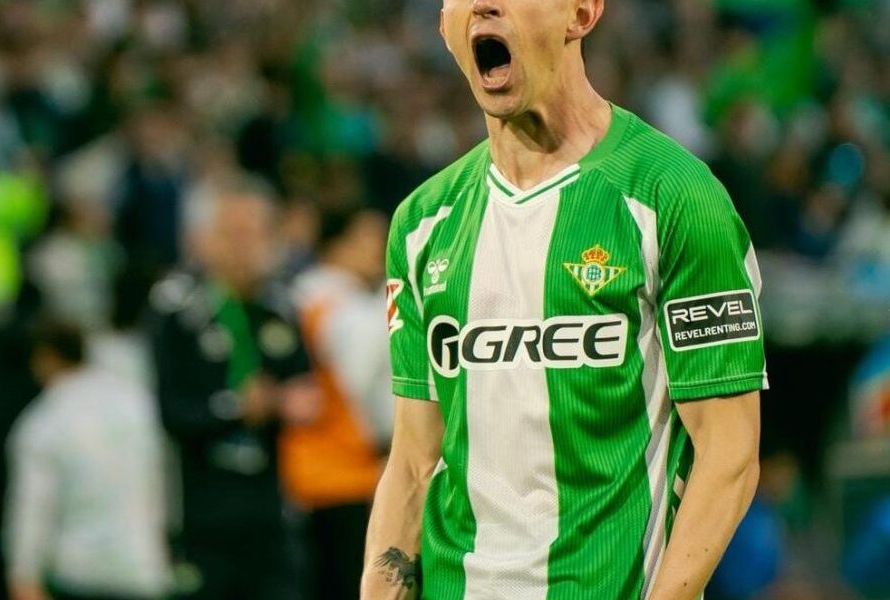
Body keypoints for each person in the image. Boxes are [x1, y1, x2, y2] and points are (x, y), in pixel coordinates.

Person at [361, 1, 766, 599]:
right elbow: (414, 462)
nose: (484, 4)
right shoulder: (422, 222)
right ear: (444, 29)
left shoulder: (675, 196)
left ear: (581, 12)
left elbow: (729, 454)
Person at [149, 176, 318, 600]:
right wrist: (236, 408)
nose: (245, 247)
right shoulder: (177, 309)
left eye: (256, 234)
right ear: (206, 239)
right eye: (233, 233)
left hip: (271, 510)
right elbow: (170, 410)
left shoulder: (282, 308)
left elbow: (304, 394)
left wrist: (289, 403)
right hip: (200, 511)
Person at [4, 319, 172, 600]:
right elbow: (165, 482)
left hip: (78, 576)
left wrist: (23, 575)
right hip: (143, 570)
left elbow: (33, 504)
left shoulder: (44, 421)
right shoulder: (137, 403)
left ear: (44, 357)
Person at [284, 206, 394, 600]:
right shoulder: (341, 304)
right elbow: (360, 384)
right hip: (343, 467)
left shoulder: (299, 295)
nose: (380, 247)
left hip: (311, 469)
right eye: (368, 237)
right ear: (335, 244)